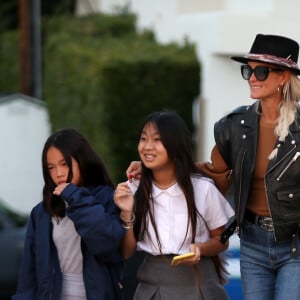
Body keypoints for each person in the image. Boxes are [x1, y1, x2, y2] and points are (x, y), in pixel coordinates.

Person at [127, 33, 300, 300]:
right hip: (252, 242)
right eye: (249, 70)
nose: (252, 78)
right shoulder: (235, 126)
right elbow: (212, 172)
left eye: (261, 71)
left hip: (294, 245)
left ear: (284, 77)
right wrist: (156, 165)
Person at [114, 111, 234, 300]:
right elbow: (127, 252)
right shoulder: (133, 189)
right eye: (143, 139)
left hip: (197, 285)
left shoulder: (202, 189)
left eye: (157, 140)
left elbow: (221, 239)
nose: (147, 147)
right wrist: (126, 213)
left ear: (175, 144)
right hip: (152, 286)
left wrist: (201, 249)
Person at [12, 128, 125, 300]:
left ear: (81, 159)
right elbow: (28, 274)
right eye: (51, 167)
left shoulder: (106, 199)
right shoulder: (41, 213)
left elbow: (107, 245)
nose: (58, 173)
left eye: (64, 163)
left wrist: (75, 197)